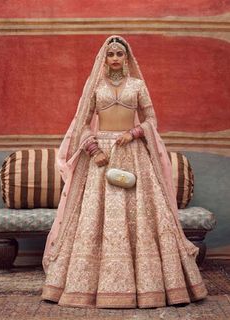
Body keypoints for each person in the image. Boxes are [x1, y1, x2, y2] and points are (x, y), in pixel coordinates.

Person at [41, 35, 208, 308]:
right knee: (95, 216)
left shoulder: (138, 86)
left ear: (127, 58)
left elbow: (151, 120)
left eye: (120, 54)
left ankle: (153, 286)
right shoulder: (94, 87)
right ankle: (82, 287)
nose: (116, 58)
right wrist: (94, 150)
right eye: (111, 54)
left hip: (133, 153)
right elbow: (81, 124)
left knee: (140, 213)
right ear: (104, 59)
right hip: (102, 158)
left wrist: (135, 132)